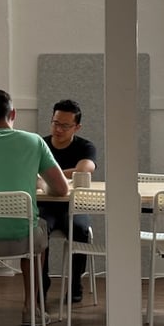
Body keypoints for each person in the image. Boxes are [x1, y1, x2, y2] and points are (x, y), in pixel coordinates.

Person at [0, 89, 69, 326]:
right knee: (37, 232)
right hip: (22, 238)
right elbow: (61, 189)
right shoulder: (34, 141)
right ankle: (30, 308)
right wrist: (40, 184)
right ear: (13, 114)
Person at [38, 98, 98, 305]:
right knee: (38, 230)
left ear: (76, 127)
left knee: (80, 230)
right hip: (45, 204)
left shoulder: (85, 146)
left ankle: (74, 285)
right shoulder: (41, 145)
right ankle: (41, 284)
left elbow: (84, 170)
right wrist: (64, 175)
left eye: (65, 126)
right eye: (56, 123)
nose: (59, 129)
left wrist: (48, 175)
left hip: (73, 205)